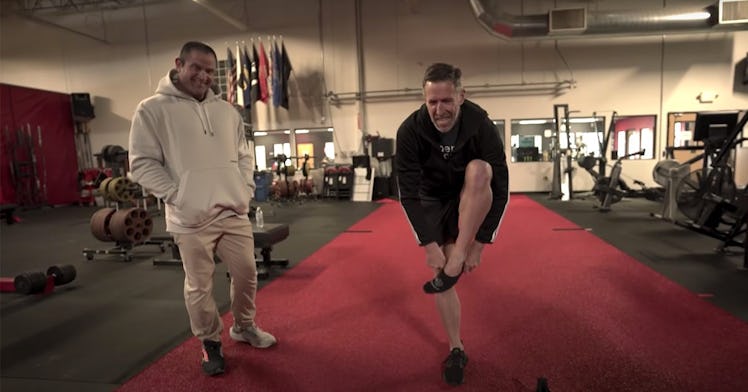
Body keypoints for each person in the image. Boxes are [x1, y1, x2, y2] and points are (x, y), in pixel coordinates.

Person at [128, 41, 276, 376]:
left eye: (210, 70)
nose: (204, 76)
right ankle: (210, 343)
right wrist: (179, 196)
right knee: (200, 286)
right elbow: (142, 164)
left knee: (247, 274)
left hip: (232, 211)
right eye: (196, 67)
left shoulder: (227, 111)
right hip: (189, 219)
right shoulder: (151, 110)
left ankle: (243, 326)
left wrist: (244, 189)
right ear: (179, 64)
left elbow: (243, 155)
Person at [395, 63, 509, 386]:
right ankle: (456, 347)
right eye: (432, 102)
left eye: (446, 100)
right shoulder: (410, 131)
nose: (439, 109)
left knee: (479, 170)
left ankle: (457, 256)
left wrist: (479, 244)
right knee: (441, 273)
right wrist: (430, 246)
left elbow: (500, 188)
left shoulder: (481, 125)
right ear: (424, 99)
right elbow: (408, 194)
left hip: (470, 193)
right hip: (431, 198)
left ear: (461, 95)